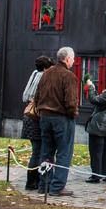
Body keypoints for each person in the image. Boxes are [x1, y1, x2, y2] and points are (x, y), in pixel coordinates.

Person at [34, 46, 81, 196]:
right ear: (67, 59)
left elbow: (37, 96)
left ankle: (44, 185)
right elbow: (71, 102)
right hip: (62, 118)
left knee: (46, 151)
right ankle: (57, 187)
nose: (73, 61)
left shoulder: (45, 74)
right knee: (64, 152)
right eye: (73, 59)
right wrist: (72, 114)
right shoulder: (68, 76)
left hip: (44, 116)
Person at [20, 56, 52, 191]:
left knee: (36, 150)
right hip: (36, 118)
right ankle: (33, 181)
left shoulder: (33, 75)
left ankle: (31, 181)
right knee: (38, 152)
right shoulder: (42, 77)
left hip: (28, 117)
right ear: (45, 67)